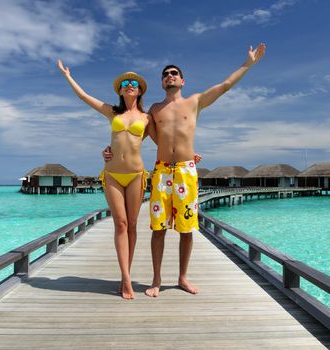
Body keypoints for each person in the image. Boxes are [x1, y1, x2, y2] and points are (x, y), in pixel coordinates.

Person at [104, 43, 266, 298]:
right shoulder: (154, 110)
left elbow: (224, 86)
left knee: (186, 228)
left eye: (174, 73)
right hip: (161, 172)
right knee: (158, 228)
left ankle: (182, 278)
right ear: (162, 83)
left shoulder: (195, 101)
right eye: (165, 74)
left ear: (182, 81)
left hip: (186, 172)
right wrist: (108, 151)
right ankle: (156, 279)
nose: (169, 76)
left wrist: (248, 64)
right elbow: (138, 137)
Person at [57, 60, 156, 299]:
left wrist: (188, 156)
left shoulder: (147, 118)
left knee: (132, 226)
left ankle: (126, 275)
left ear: (140, 90)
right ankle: (125, 278)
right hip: (111, 174)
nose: (129, 85)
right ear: (120, 90)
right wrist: (68, 75)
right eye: (125, 83)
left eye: (134, 83)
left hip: (136, 175)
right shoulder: (113, 112)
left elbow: (164, 144)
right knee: (120, 224)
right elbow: (83, 97)